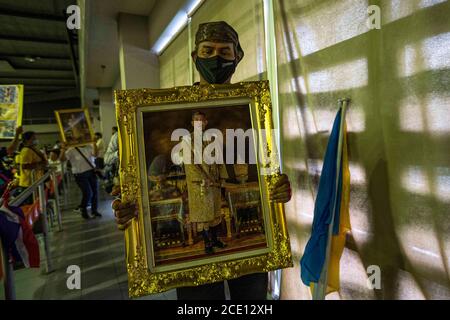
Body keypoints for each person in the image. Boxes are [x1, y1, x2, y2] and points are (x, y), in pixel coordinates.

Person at [113, 21, 292, 300]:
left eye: (224, 51)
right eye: (207, 51)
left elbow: (264, 166)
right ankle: (207, 243)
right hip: (195, 248)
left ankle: (215, 240)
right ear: (195, 57)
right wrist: (132, 198)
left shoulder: (254, 109)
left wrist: (278, 186)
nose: (216, 58)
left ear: (237, 57)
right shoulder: (169, 108)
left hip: (252, 255)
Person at [179, 111, 228, 254]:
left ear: (206, 122)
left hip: (214, 184)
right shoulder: (188, 140)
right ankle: (207, 243)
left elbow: (219, 159)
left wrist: (222, 178)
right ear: (192, 123)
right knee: (204, 216)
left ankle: (215, 239)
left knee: (214, 214)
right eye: (196, 120)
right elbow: (190, 164)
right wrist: (204, 179)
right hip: (200, 185)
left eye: (202, 120)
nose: (199, 122)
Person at [60, 142, 101, 219]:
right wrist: (63, 149)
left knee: (95, 192)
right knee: (88, 193)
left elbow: (96, 155)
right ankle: (83, 209)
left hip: (91, 171)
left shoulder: (89, 145)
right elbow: (62, 159)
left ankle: (94, 211)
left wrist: (94, 143)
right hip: (80, 174)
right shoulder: (71, 149)